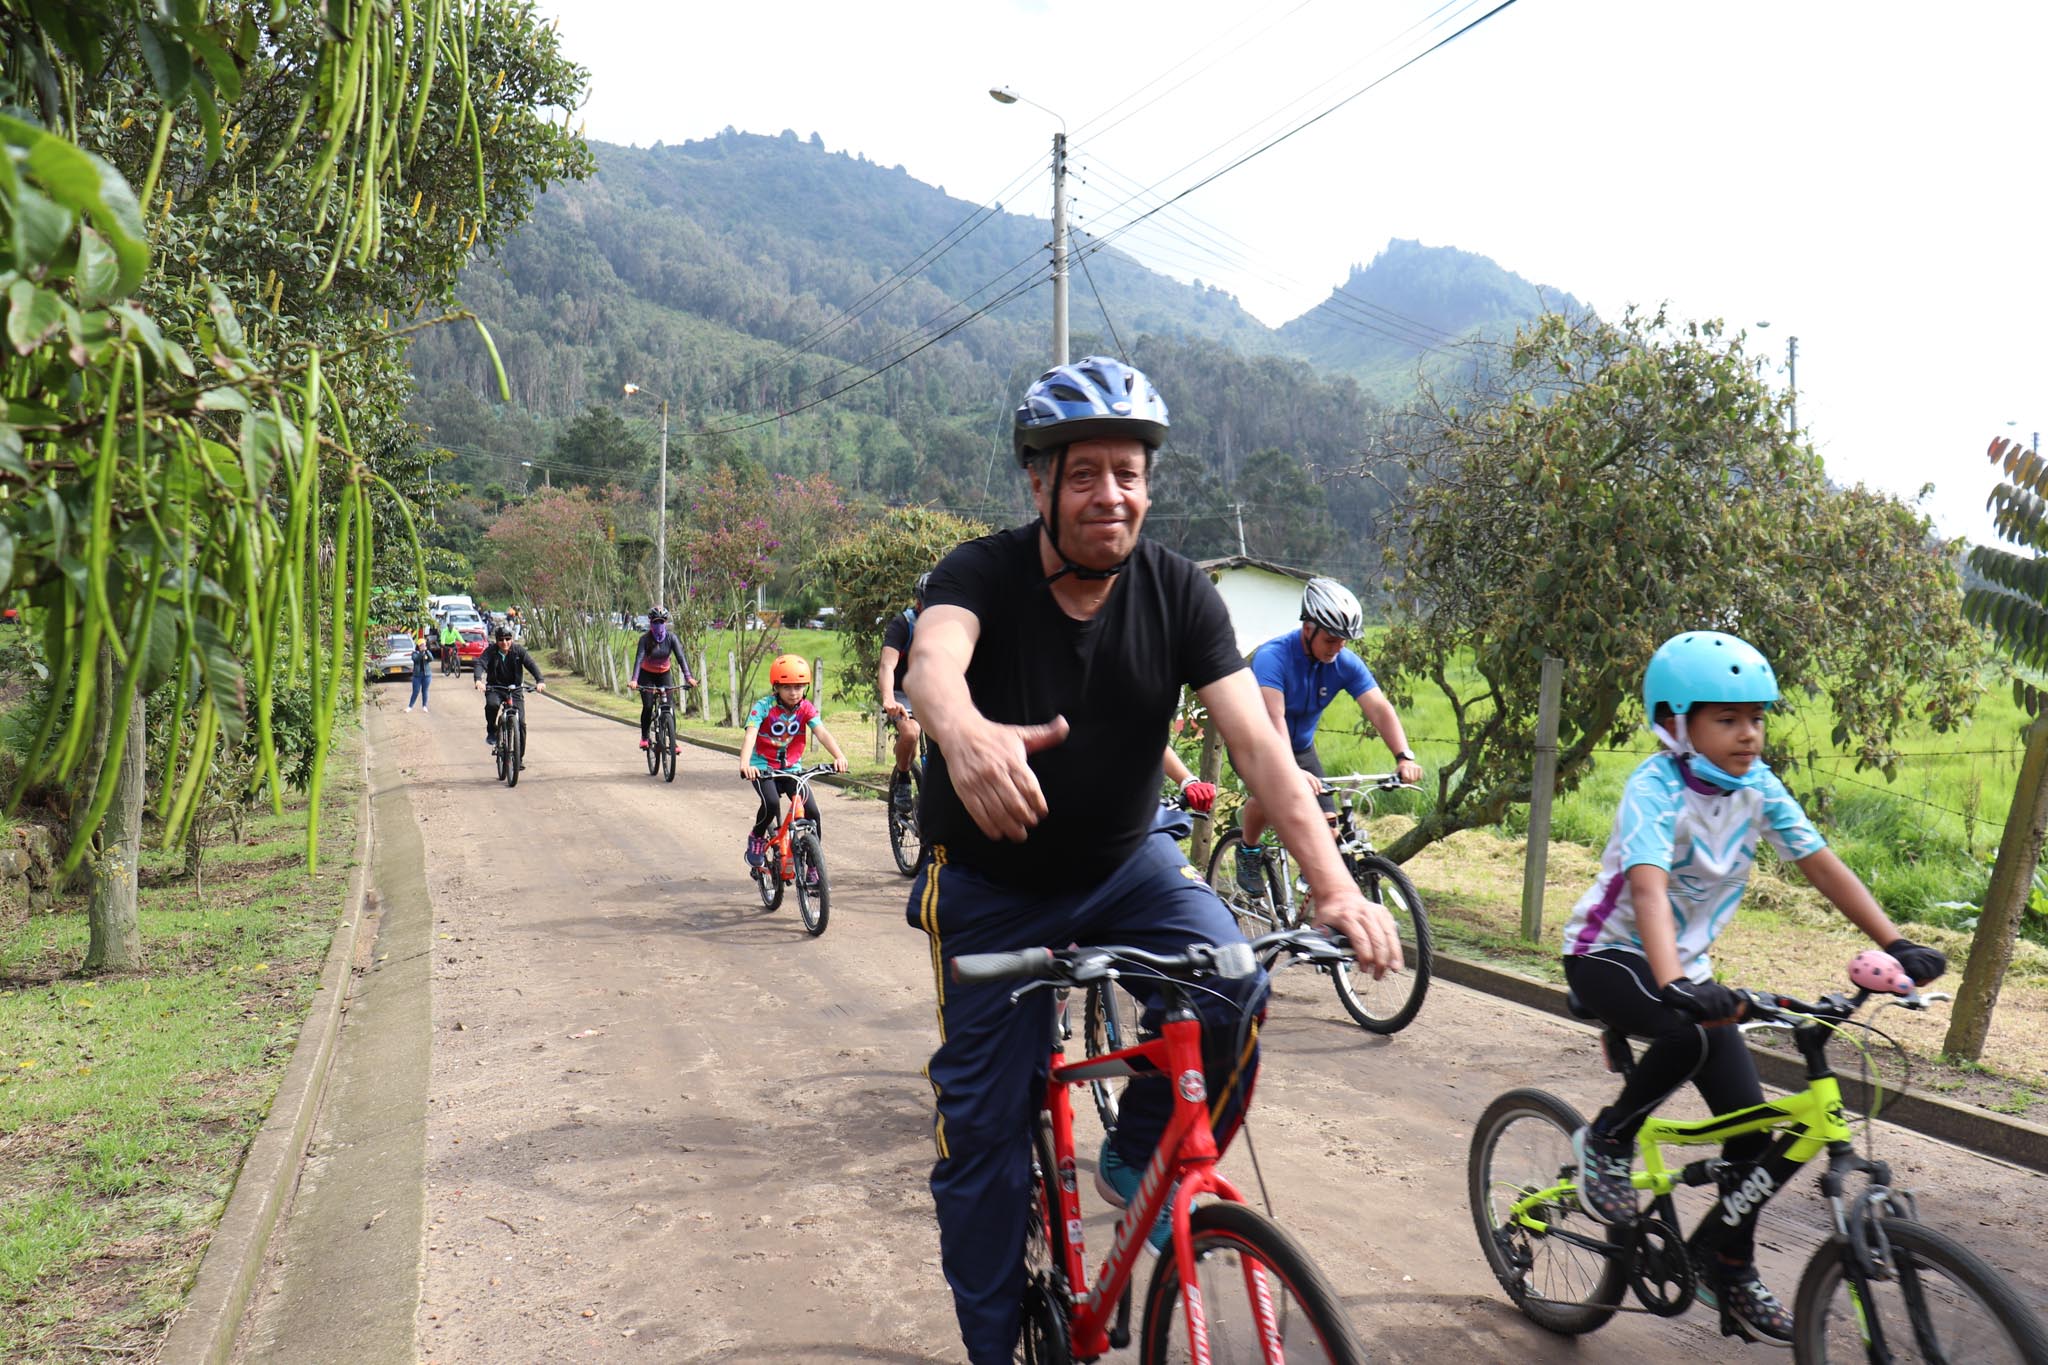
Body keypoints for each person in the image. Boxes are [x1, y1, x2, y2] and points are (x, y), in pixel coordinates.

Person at [903, 356, 1402, 1364]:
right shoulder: (980, 572)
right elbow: (932, 662)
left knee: (1233, 982)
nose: (1110, 494)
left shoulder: (1177, 592)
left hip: (1127, 868)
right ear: (1038, 483)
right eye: (1082, 472)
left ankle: (1133, 1158)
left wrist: (1333, 883)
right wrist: (958, 729)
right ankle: (996, 1348)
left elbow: (1258, 749)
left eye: (1127, 472)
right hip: (992, 892)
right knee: (985, 1148)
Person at [1561, 630, 1948, 1344]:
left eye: (1757, 717)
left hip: (1688, 971)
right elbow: (1646, 889)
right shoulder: (1655, 786)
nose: (1749, 733)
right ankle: (1609, 1140)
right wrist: (1676, 981)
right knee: (1688, 1030)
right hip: (1610, 954)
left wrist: (1895, 941)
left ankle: (1725, 1261)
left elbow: (1821, 863)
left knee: (1756, 1132)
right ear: (1677, 723)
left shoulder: (1757, 786)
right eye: (1727, 719)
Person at [1231, 576, 1423, 898]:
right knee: (1273, 795)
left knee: (1328, 823)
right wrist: (1290, 772)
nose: (1338, 648)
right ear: (1309, 628)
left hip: (1301, 746)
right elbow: (1274, 721)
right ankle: (1248, 850)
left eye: (1344, 641)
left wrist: (1404, 755)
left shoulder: (1343, 662)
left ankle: (1316, 894)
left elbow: (1378, 708)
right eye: (1331, 640)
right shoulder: (1273, 657)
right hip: (1257, 742)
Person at [737, 654, 848, 875]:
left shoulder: (805, 708)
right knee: (771, 804)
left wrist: (839, 756)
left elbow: (821, 732)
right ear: (776, 687)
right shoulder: (763, 707)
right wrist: (745, 764)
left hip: (792, 769)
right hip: (763, 767)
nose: (793, 692)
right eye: (787, 687)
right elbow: (751, 735)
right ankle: (757, 837)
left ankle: (813, 867)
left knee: (813, 813)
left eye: (799, 686)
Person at [877, 572, 932, 817]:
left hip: (933, 691)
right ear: (919, 601)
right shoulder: (903, 624)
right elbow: (887, 665)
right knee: (911, 732)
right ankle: (902, 778)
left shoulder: (950, 624)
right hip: (902, 693)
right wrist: (889, 698)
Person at [631, 606, 696, 751]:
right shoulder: (644, 639)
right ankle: (645, 737)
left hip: (664, 674)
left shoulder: (671, 638)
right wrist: (634, 679)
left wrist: (689, 677)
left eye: (661, 621)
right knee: (648, 706)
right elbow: (639, 659)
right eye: (655, 621)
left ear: (665, 622)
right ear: (651, 622)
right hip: (646, 674)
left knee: (670, 708)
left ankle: (673, 741)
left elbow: (681, 658)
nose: (658, 625)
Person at [472, 625, 544, 747]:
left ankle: (518, 758)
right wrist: (478, 680)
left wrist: (540, 680)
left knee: (521, 723)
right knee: (492, 705)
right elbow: (481, 663)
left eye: (507, 639)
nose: (504, 642)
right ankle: (492, 730)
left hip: (515, 689)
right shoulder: (491, 651)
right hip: (495, 688)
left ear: (511, 639)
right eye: (501, 639)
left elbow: (530, 664)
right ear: (496, 640)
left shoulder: (518, 651)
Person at [406, 634, 434, 713]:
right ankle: (410, 706)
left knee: (425, 690)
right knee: (416, 691)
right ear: (418, 646)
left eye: (424, 645)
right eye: (421, 645)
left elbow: (431, 659)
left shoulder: (427, 652)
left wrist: (426, 651)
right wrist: (421, 653)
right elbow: (416, 659)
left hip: (426, 675)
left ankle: (424, 706)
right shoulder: (415, 653)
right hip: (417, 675)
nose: (423, 646)